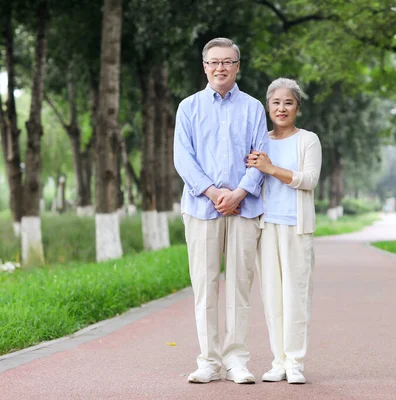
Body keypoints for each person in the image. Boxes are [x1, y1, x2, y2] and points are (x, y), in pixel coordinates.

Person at [173, 37, 268, 384]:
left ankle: (236, 360)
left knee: (240, 287)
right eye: (214, 62)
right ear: (205, 66)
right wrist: (214, 192)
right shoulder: (189, 107)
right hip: (201, 207)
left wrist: (240, 192)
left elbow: (261, 156)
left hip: (245, 208)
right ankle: (209, 361)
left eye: (228, 61)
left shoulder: (254, 108)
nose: (220, 68)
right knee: (205, 286)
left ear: (237, 66)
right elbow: (183, 158)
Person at [246, 78, 322, 384]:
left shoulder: (308, 140)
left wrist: (271, 169)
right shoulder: (261, 141)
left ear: (298, 108)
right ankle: (278, 361)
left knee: (296, 295)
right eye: (275, 102)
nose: (281, 108)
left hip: (297, 228)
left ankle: (295, 362)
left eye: (288, 103)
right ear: (267, 106)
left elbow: (309, 179)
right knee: (272, 297)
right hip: (266, 228)